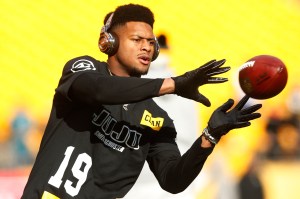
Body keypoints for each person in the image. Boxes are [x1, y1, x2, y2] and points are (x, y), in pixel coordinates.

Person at [21, 4, 262, 199]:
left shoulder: (157, 118)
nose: (146, 47)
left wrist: (209, 137)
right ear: (109, 42)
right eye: (137, 40)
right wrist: (174, 84)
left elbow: (173, 181)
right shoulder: (83, 68)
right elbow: (99, 90)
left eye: (150, 42)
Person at [124, 34, 201, 199]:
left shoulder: (134, 84)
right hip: (178, 177)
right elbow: (194, 133)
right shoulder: (184, 85)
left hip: (139, 181)